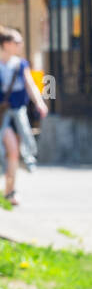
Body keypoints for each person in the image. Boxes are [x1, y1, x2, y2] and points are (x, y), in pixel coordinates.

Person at [0, 27, 47, 205]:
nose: (20, 45)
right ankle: (9, 190)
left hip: (18, 114)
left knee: (13, 154)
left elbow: (30, 85)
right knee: (11, 150)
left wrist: (40, 103)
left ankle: (10, 190)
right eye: (17, 42)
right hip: (1, 115)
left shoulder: (20, 64)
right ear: (6, 44)